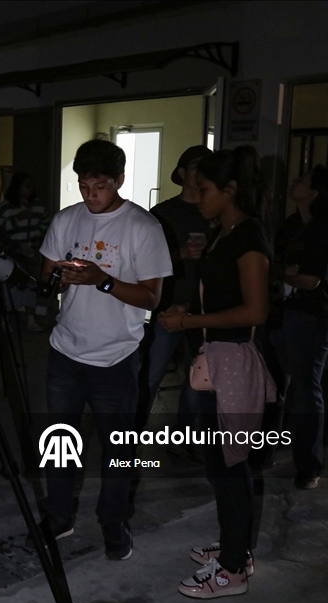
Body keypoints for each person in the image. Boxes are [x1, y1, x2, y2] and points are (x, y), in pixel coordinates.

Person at [38, 139, 172, 560]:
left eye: (99, 186)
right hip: (65, 351)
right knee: (60, 442)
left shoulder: (142, 227)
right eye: (82, 185)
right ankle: (58, 517)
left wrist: (103, 280)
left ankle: (114, 521)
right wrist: (57, 279)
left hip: (115, 358)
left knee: (119, 449)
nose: (90, 194)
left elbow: (152, 298)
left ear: (118, 181)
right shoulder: (66, 220)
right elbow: (45, 276)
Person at [158, 145, 274, 599]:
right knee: (218, 460)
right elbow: (223, 298)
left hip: (232, 362)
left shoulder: (249, 237)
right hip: (214, 359)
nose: (196, 196)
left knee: (230, 465)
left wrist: (189, 321)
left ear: (229, 191)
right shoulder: (224, 233)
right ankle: (234, 547)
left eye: (203, 189)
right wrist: (192, 309)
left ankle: (232, 570)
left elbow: (256, 311)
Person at [268, 166, 328, 489]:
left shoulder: (325, 228)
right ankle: (264, 451)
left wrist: (286, 274)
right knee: (273, 387)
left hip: (313, 316)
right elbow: (279, 267)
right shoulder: (290, 225)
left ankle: (308, 466)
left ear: (313, 193)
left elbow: (311, 280)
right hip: (284, 311)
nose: (294, 182)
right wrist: (287, 273)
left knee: (305, 389)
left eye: (302, 181)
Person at [141, 146, 213, 451]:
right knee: (150, 375)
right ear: (182, 173)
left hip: (203, 311)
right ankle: (129, 438)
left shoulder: (215, 212)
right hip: (167, 309)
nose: (202, 172)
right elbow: (144, 264)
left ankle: (184, 441)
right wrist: (181, 253)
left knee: (198, 381)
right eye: (197, 166)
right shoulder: (163, 214)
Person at [0, 173, 51, 331]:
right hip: (11, 252)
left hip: (32, 253)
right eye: (26, 185)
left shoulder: (38, 205)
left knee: (31, 285)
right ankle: (5, 319)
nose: (30, 189)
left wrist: (36, 242)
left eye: (31, 185)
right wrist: (17, 219)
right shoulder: (7, 206)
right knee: (9, 286)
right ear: (17, 187)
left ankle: (30, 319)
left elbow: (46, 224)